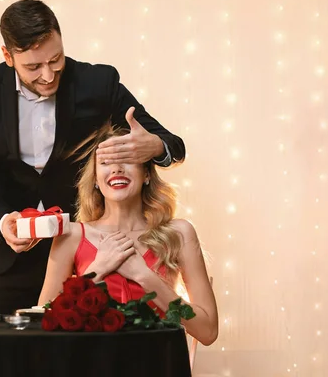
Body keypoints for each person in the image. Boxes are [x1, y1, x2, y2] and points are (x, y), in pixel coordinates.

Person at [0, 0, 186, 314]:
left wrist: (155, 148)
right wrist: (2, 220)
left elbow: (173, 144)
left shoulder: (98, 83)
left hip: (85, 257)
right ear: (7, 56)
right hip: (9, 261)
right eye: (33, 66)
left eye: (56, 59)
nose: (49, 74)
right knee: (2, 356)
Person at [38, 124, 218, 345]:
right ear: (95, 178)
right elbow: (44, 323)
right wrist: (97, 270)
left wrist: (145, 276)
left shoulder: (179, 233)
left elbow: (208, 331)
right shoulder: (71, 235)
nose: (116, 169)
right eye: (105, 163)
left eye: (128, 159)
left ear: (147, 175)